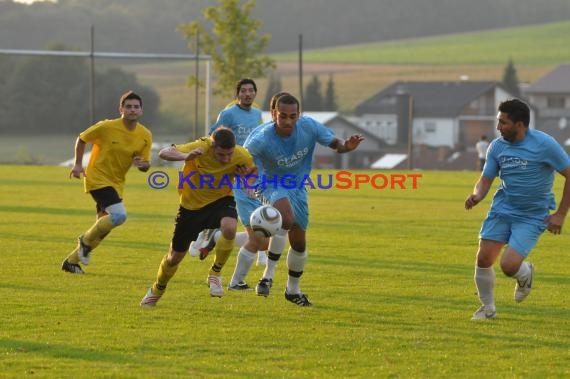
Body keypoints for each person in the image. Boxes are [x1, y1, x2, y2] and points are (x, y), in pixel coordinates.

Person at [244, 94, 364, 306]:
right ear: (273, 114)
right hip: (270, 183)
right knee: (286, 218)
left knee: (299, 244)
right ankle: (267, 276)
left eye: (293, 116)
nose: (288, 121)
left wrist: (347, 145)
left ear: (299, 114)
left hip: (298, 187)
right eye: (283, 116)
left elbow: (335, 143)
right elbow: (242, 159)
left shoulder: (308, 126)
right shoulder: (261, 139)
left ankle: (292, 289)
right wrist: (247, 180)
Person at [465, 98, 570, 320]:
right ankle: (488, 308)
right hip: (503, 209)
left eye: (503, 122)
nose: (498, 127)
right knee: (484, 258)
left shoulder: (545, 144)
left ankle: (524, 273)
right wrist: (477, 195)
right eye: (498, 121)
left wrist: (560, 214)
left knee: (508, 266)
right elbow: (485, 179)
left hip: (533, 215)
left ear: (519, 124)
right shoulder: (497, 146)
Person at [140, 127, 257, 307]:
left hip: (221, 200)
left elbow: (252, 171)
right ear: (212, 147)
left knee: (230, 228)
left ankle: (215, 273)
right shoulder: (201, 146)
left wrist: (247, 182)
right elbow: (165, 152)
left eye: (229, 154)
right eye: (221, 154)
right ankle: (157, 288)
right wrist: (185, 157)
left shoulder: (241, 154)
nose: (226, 159)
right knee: (174, 257)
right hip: (191, 208)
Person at [61, 90, 152, 274]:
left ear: (141, 110)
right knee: (119, 216)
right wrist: (78, 164)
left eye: (136, 107)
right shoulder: (107, 127)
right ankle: (83, 242)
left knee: (102, 227)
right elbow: (82, 138)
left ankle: (71, 262)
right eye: (128, 107)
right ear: (121, 109)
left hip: (117, 183)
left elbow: (145, 164)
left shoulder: (145, 135)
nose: (132, 110)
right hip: (97, 177)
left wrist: (143, 165)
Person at [189, 78, 269, 270]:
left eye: (251, 90)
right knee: (218, 204)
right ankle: (201, 235)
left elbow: (260, 137)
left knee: (258, 210)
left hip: (250, 170)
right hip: (228, 169)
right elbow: (212, 137)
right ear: (237, 94)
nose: (247, 94)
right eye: (243, 91)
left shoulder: (258, 114)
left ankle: (260, 251)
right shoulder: (228, 114)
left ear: (255, 93)